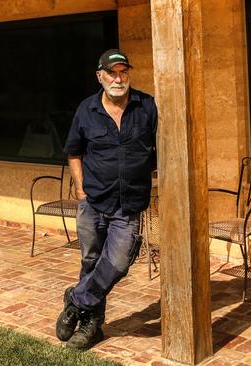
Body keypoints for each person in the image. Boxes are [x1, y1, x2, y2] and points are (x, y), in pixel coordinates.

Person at [56, 49, 157, 350]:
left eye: (123, 72)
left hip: (129, 204)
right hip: (94, 201)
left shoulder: (147, 107)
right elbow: (73, 151)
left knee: (117, 262)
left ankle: (76, 300)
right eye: (111, 73)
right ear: (99, 75)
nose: (118, 78)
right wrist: (81, 189)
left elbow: (161, 147)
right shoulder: (86, 109)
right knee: (90, 261)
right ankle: (91, 327)